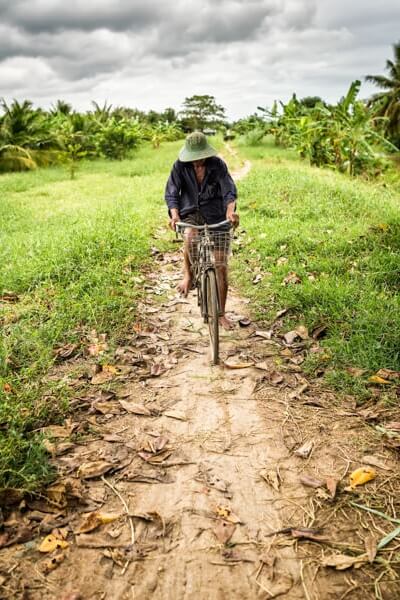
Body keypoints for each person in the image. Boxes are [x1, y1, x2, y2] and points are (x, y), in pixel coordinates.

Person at [165, 131, 239, 330]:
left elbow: (229, 191)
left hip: (217, 214)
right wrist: (174, 215)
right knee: (190, 236)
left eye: (200, 158)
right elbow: (172, 193)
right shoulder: (180, 166)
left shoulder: (217, 165)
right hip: (191, 212)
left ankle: (221, 313)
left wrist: (230, 213)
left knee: (221, 265)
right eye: (193, 158)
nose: (197, 162)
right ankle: (188, 276)